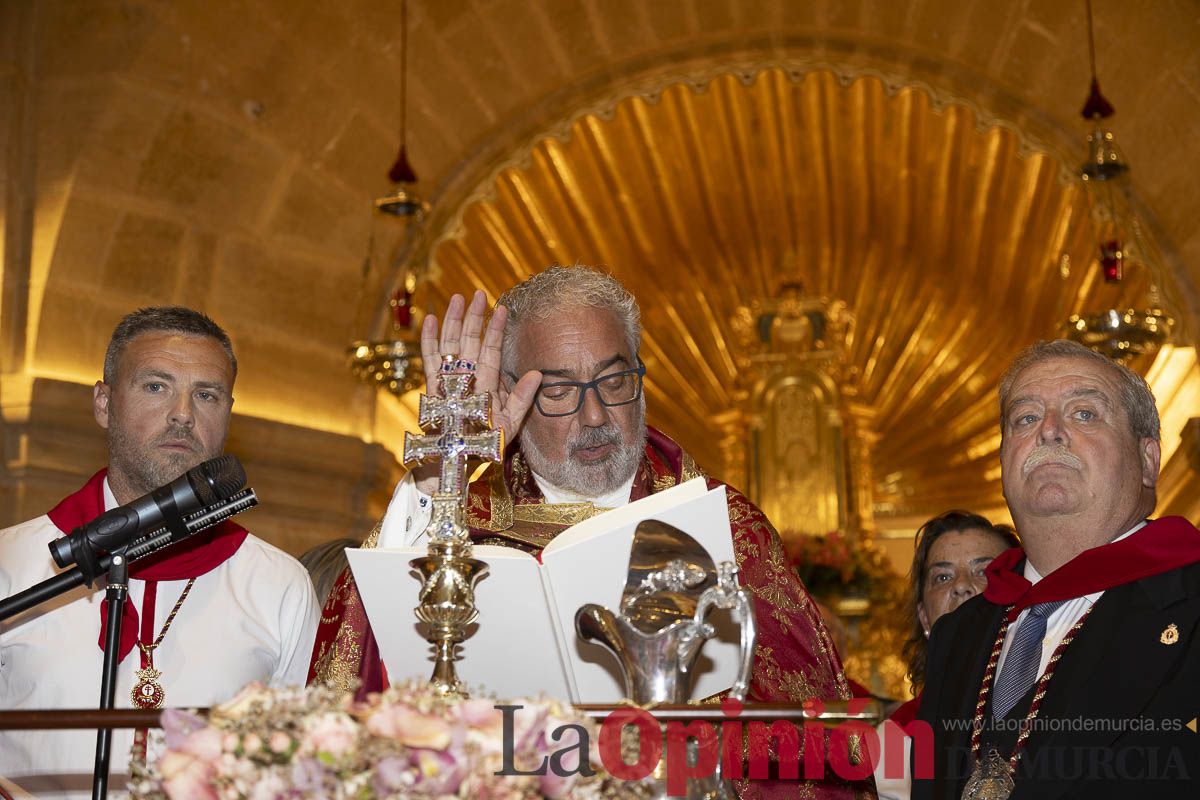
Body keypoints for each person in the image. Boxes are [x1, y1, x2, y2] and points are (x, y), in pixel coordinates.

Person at [310, 266, 862, 798]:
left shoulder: (726, 527)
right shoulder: (459, 526)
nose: (595, 415)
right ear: (509, 395)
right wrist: (440, 476)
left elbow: (810, 736)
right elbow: (358, 687)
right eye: (558, 391)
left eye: (614, 380)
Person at [0, 307, 319, 797]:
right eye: (156, 386)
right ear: (104, 403)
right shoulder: (13, 562)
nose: (183, 414)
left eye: (207, 395)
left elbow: (310, 766)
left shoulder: (278, 585)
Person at [913, 340, 1200, 799]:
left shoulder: (1190, 599)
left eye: (1084, 413)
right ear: (1004, 461)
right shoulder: (959, 633)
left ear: (1149, 460)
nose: (1048, 431)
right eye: (1025, 418)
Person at [874, 511, 1018, 800]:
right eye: (943, 576)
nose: (961, 585)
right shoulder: (894, 740)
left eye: (985, 571)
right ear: (924, 617)